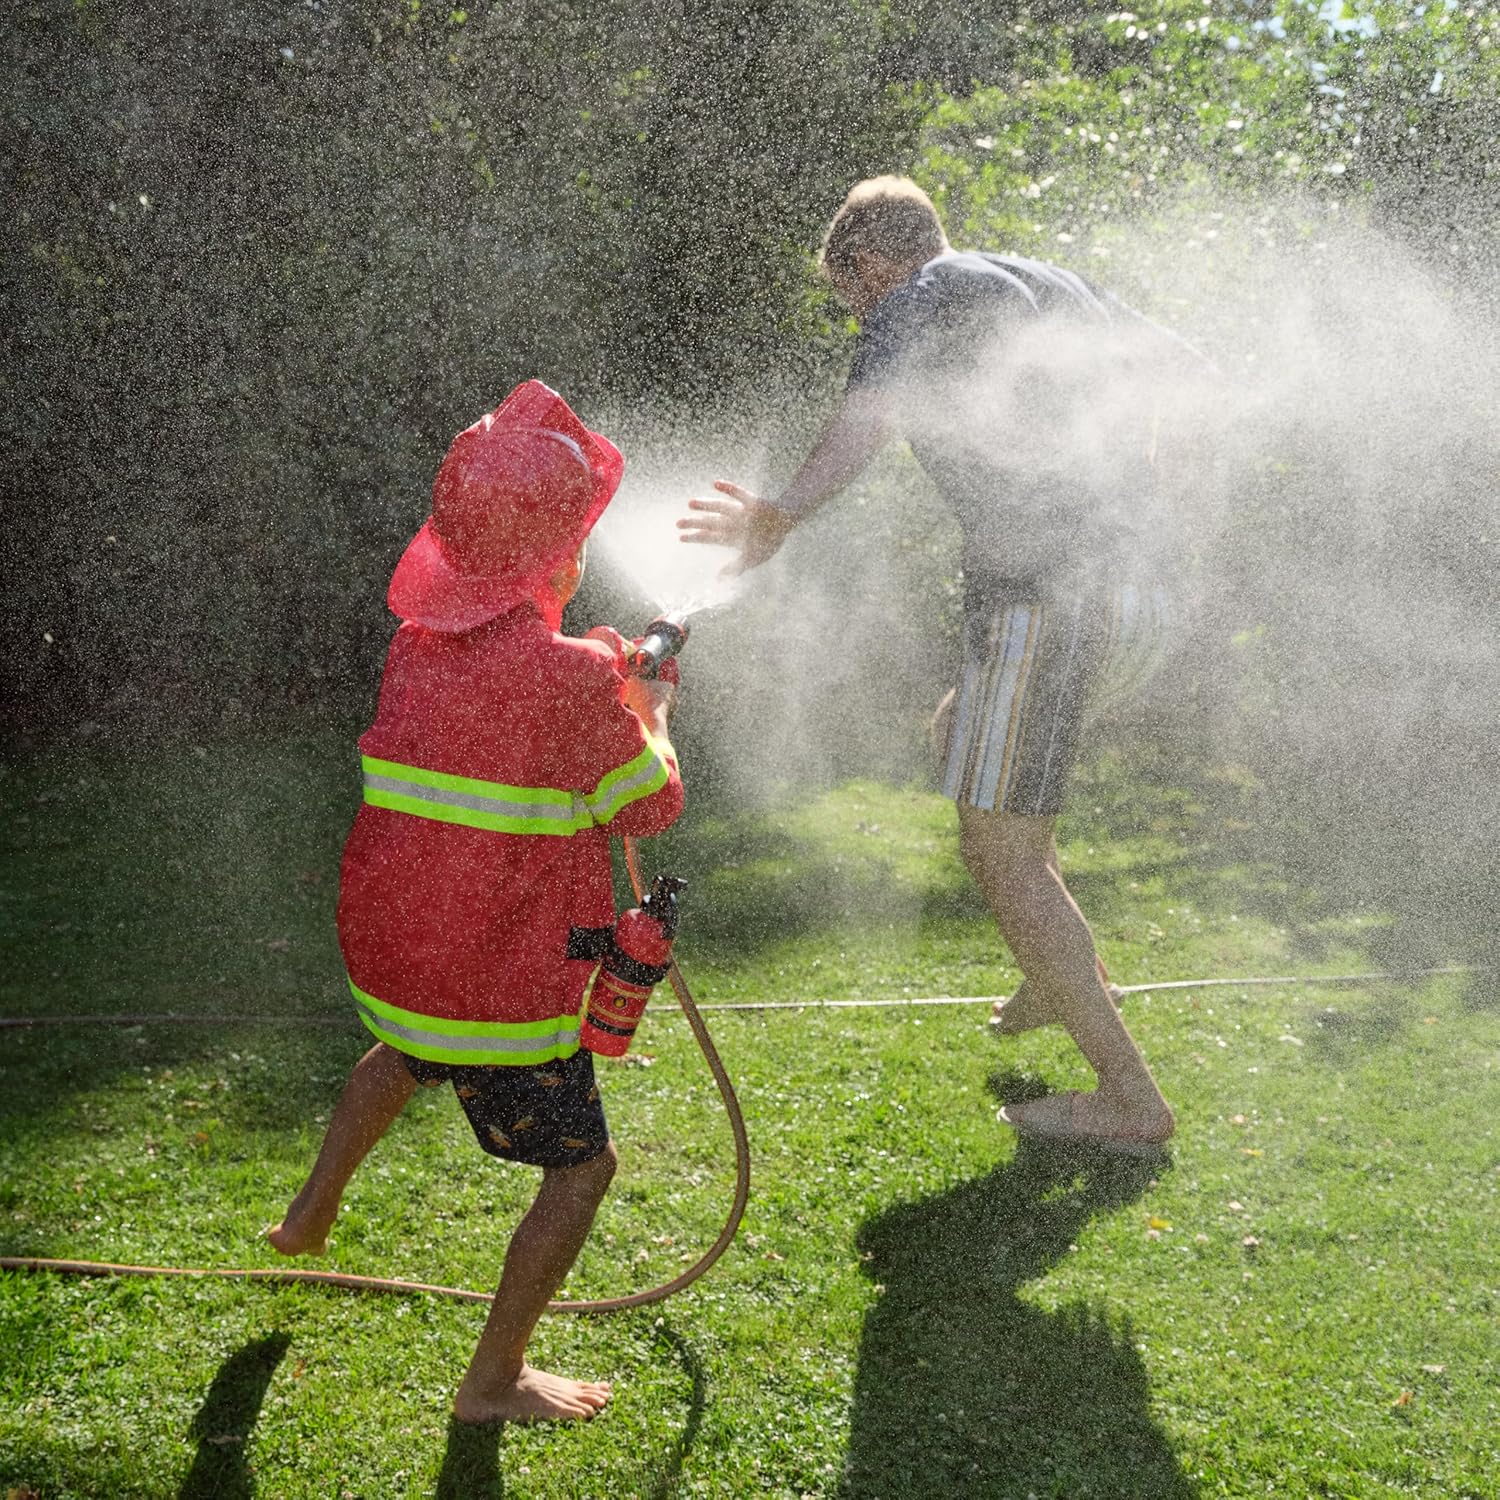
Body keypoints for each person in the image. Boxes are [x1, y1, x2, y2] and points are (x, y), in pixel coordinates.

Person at [679, 176, 1208, 1152]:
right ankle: (1059, 972)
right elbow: (1183, 368)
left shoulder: (917, 294)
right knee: (959, 731)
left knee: (1000, 850)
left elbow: (865, 420)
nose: (861, 315)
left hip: (1044, 597)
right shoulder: (1047, 282)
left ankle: (1128, 1096)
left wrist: (778, 516)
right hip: (1132, 595)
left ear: (869, 268)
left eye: (853, 300)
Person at [268, 380, 684, 1423]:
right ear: (563, 560)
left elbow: (520, 682)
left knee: (405, 1055)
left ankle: (313, 1210)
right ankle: (493, 1381)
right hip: (499, 983)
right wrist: (654, 706)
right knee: (584, 1173)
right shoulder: (573, 684)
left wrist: (606, 667)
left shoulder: (417, 649)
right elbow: (650, 805)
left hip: (403, 961)